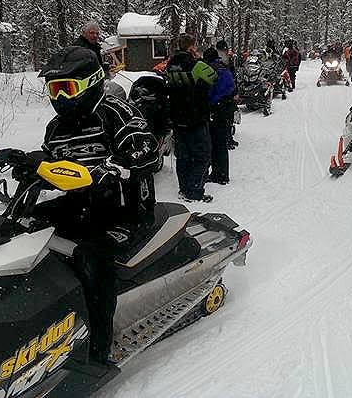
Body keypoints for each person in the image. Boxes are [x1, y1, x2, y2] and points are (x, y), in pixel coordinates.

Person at [39, 46, 159, 364]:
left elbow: (147, 147)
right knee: (22, 234)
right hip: (79, 207)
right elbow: (51, 165)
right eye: (55, 89)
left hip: (125, 209)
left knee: (93, 257)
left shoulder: (115, 112)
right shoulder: (56, 129)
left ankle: (99, 347)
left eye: (67, 88)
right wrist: (28, 166)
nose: (61, 97)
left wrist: (119, 164)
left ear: (90, 82)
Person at [165, 34, 218, 203]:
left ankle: (184, 188)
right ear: (192, 47)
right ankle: (195, 190)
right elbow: (213, 77)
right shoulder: (196, 65)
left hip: (177, 117)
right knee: (203, 155)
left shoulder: (171, 64)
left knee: (184, 156)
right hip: (195, 117)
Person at [203, 48, 236, 184]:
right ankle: (220, 172)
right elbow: (231, 86)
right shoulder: (224, 67)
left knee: (216, 142)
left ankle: (220, 174)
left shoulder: (212, 70)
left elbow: (212, 91)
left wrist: (209, 102)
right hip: (226, 107)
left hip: (217, 108)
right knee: (219, 142)